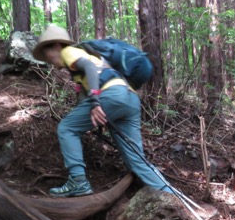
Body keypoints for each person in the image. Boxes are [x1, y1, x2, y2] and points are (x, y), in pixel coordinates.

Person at [32, 24, 172, 197]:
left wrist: (96, 101)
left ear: (56, 46)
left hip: (111, 95)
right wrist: (92, 111)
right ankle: (171, 196)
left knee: (66, 128)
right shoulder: (82, 66)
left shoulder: (69, 51)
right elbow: (83, 103)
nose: (50, 61)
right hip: (130, 98)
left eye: (48, 55)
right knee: (136, 159)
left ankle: (78, 182)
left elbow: (90, 68)